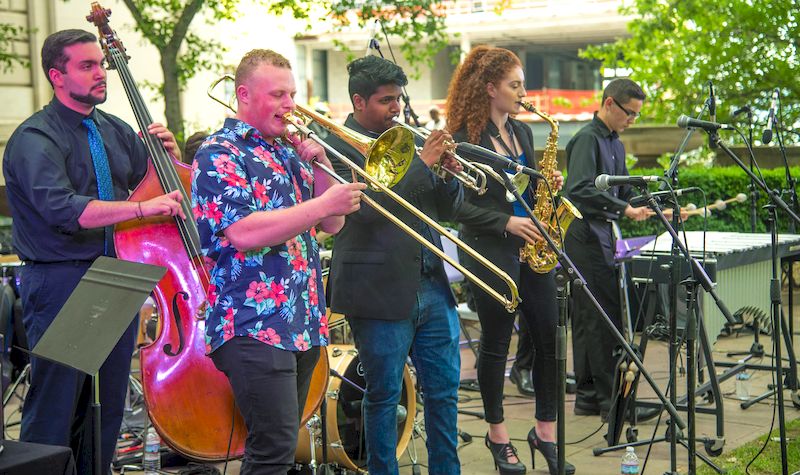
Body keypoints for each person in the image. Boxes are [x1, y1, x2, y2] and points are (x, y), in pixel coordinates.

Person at [2, 29, 185, 473]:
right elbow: (63, 209)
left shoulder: (114, 129)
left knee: (107, 410)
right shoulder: (34, 138)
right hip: (63, 278)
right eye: (86, 66)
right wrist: (140, 208)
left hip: (116, 276)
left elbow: (162, 183)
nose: (101, 73)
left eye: (100, 64)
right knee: (57, 408)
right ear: (56, 76)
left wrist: (171, 154)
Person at [192, 49, 365, 475]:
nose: (290, 105)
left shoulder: (286, 151)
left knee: (283, 447)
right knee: (272, 451)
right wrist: (321, 202)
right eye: (278, 95)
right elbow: (243, 232)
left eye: (291, 93)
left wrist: (322, 167)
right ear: (244, 95)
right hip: (252, 323)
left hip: (301, 321)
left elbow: (333, 222)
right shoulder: (219, 152)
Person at [325, 55, 463, 475]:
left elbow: (447, 209)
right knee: (385, 396)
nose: (396, 108)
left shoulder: (404, 136)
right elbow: (365, 211)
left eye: (398, 99)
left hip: (431, 283)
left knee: (444, 391)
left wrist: (446, 175)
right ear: (359, 101)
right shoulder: (335, 144)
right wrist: (422, 166)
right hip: (377, 286)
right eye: (386, 101)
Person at [446, 45, 575, 475]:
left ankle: (545, 431)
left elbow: (526, 187)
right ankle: (498, 435)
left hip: (533, 247)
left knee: (548, 340)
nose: (523, 92)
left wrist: (547, 182)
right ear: (489, 89)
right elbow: (456, 206)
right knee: (497, 345)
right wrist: (505, 223)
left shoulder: (521, 133)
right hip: (491, 250)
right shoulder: (464, 139)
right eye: (514, 85)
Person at [562, 78, 650, 420]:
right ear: (610, 104)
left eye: (637, 116)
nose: (632, 121)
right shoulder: (587, 138)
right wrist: (623, 209)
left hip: (600, 234)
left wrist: (651, 205)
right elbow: (580, 188)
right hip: (583, 235)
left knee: (590, 317)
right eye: (630, 113)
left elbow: (623, 191)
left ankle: (588, 397)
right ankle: (611, 402)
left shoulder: (616, 144)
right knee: (598, 318)